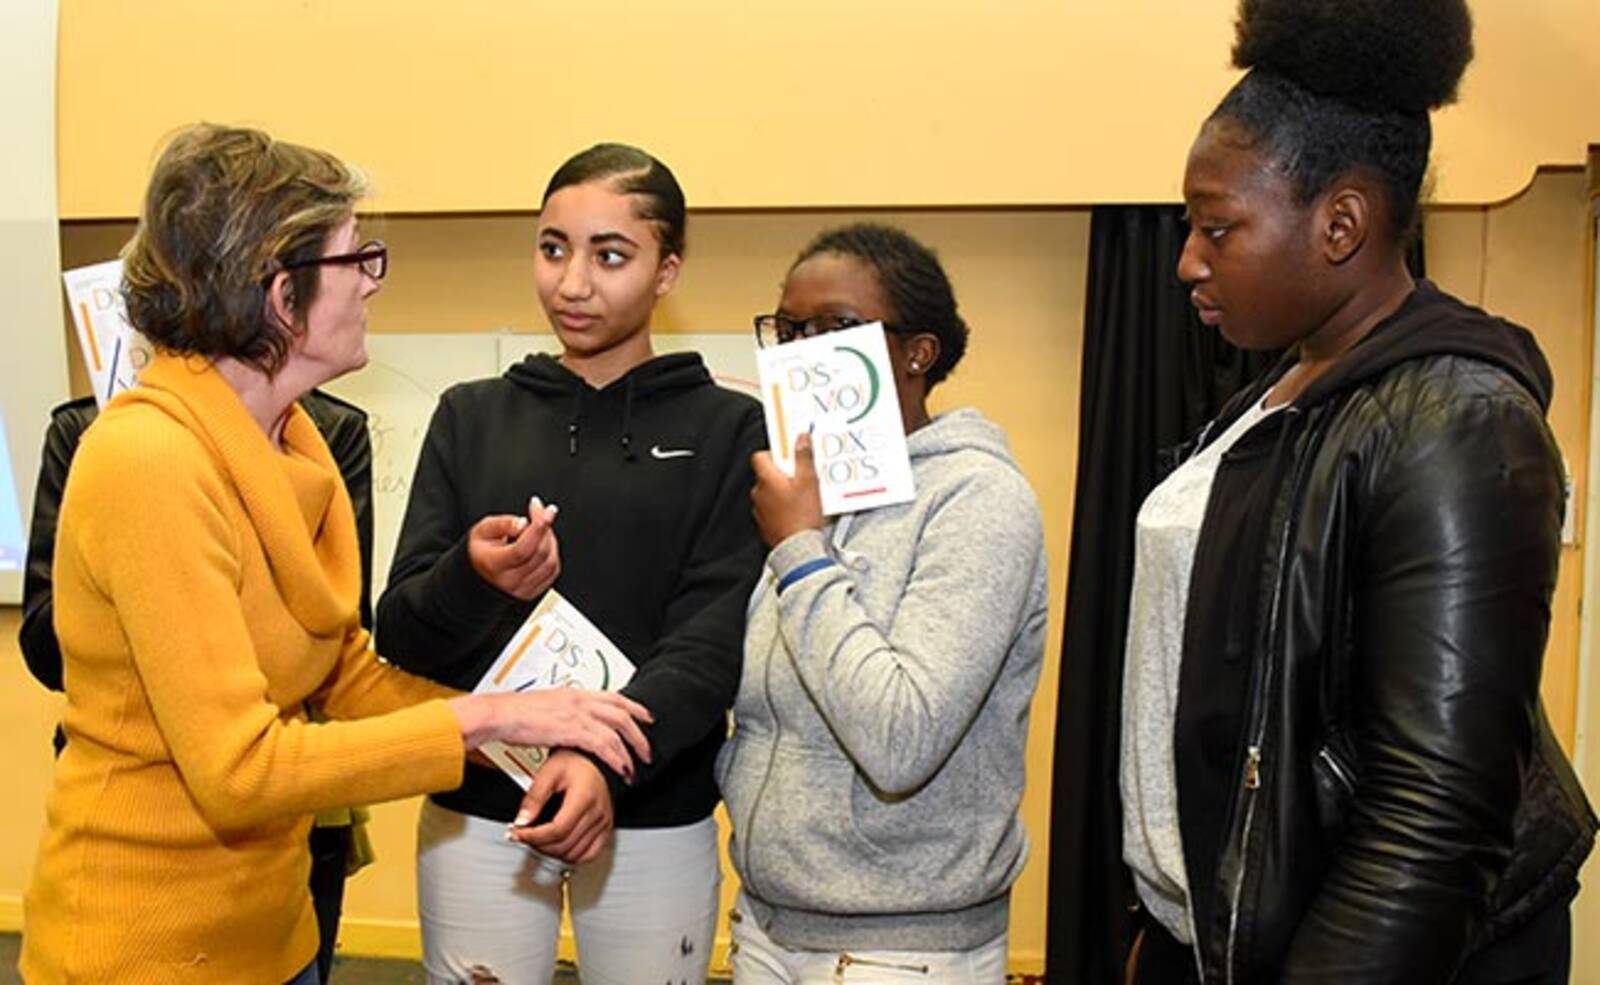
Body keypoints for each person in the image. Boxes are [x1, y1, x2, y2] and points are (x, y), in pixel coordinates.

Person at [19, 123, 651, 985]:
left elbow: (341, 673)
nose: (373, 284)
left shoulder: (295, 440)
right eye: (359, 259)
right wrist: (487, 721)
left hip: (269, 936)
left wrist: (526, 725)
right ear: (284, 295)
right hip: (141, 950)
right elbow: (240, 770)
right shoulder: (148, 459)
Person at [1118, 2, 1597, 983]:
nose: (1188, 260)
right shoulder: (1281, 392)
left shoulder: (1459, 422)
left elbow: (1433, 822)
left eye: (1217, 227)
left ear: (1340, 223)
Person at [374, 142, 765, 985]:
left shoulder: (730, 429)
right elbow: (400, 632)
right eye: (553, 249)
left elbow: (710, 644)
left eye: (609, 255)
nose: (572, 282)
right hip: (482, 806)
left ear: (667, 270)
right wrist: (473, 579)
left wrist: (598, 756)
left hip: (652, 809)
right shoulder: (471, 415)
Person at [717, 223, 1049, 984]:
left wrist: (801, 551)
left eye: (832, 327)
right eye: (787, 329)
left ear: (916, 353)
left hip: (902, 946)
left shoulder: (979, 498)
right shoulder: (802, 493)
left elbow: (901, 739)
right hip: (768, 922)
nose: (802, 352)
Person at [19, 386, 376, 985]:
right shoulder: (96, 433)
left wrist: (466, 726)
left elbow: (341, 636)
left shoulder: (325, 432)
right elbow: (43, 646)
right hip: (132, 833)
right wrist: (135, 579)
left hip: (283, 809)